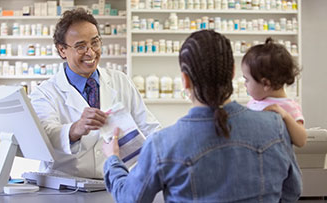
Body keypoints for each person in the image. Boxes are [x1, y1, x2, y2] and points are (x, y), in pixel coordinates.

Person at [102, 30, 302, 202]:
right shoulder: (275, 126)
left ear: (185, 81)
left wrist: (112, 159)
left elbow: (130, 198)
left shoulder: (162, 144)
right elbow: (292, 191)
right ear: (232, 72)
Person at [30, 8, 160, 179]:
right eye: (80, 46)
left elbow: (148, 127)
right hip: (65, 186)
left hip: (114, 182)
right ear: (62, 50)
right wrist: (75, 129)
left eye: (95, 42)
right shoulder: (44, 93)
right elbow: (45, 137)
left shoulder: (120, 81)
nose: (91, 52)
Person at [241, 38, 307, 147]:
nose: (245, 84)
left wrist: (285, 116)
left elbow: (301, 141)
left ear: (266, 83)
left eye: (247, 79)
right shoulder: (253, 102)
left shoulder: (288, 106)